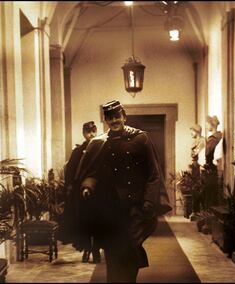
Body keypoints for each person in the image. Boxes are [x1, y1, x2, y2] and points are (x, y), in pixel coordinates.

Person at [73, 100, 172, 282]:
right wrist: (88, 187)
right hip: (110, 208)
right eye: (110, 118)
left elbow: (154, 173)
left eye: (117, 117)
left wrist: (148, 202)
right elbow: (93, 172)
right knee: (112, 251)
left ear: (124, 116)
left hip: (136, 207)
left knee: (130, 249)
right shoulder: (100, 143)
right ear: (106, 120)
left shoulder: (141, 138)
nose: (114, 121)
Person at [61, 121, 101, 263]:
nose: (90, 135)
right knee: (83, 222)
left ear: (96, 132)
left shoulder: (102, 149)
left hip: (98, 194)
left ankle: (96, 250)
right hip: (81, 195)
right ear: (83, 134)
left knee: (97, 223)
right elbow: (70, 171)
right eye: (87, 132)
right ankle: (86, 249)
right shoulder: (77, 152)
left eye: (93, 131)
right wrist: (71, 187)